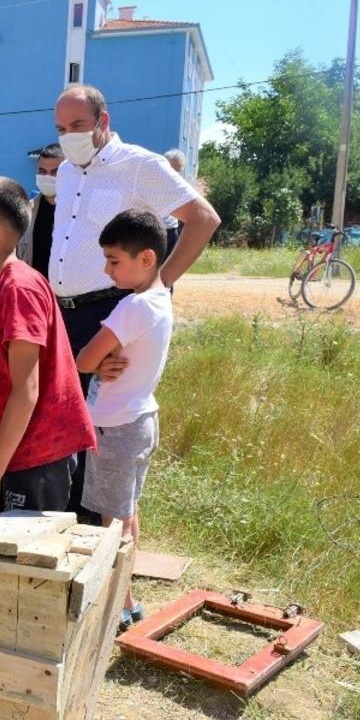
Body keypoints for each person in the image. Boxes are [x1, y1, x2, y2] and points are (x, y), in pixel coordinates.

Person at [49, 84, 219, 521]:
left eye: (79, 125)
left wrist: (158, 286)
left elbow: (202, 219)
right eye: (62, 127)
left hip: (111, 315)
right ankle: (70, 534)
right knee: (64, 426)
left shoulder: (140, 166)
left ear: (103, 122)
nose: (70, 135)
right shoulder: (67, 171)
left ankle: (100, 549)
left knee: (102, 436)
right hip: (64, 315)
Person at [0, 176, 96, 518]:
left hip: (38, 456)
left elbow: (26, 391)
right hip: (18, 449)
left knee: (23, 564)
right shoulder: (6, 285)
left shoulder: (18, 289)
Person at [73, 211, 173, 632]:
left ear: (145, 258)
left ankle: (120, 605)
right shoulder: (161, 298)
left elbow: (84, 358)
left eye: (114, 260)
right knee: (127, 512)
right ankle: (127, 598)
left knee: (111, 523)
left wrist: (97, 366)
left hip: (115, 426)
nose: (106, 268)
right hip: (141, 418)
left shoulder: (132, 307)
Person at [17, 142, 65, 279]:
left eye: (55, 172)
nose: (48, 177)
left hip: (71, 295)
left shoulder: (80, 212)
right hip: (36, 294)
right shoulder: (25, 212)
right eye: (42, 171)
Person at [161, 149, 187, 259]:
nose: (176, 174)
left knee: (168, 264)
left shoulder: (180, 184)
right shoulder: (152, 181)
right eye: (173, 170)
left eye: (179, 170)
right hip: (154, 230)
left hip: (171, 230)